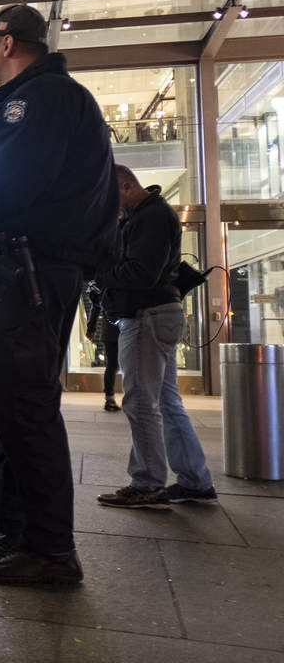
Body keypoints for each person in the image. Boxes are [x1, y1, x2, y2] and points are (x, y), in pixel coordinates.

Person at [0, 4, 118, 586]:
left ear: (7, 42)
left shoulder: (35, 100)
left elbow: (8, 181)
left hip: (28, 273)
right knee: (19, 403)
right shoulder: (52, 99)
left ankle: (49, 550)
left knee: (25, 407)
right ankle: (9, 522)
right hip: (32, 272)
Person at [95, 166, 217, 508]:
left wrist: (99, 273)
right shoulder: (144, 216)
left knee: (140, 402)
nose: (109, 207)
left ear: (125, 185)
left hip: (146, 316)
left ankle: (147, 482)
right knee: (166, 402)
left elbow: (140, 273)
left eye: (110, 198)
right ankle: (194, 480)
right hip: (156, 314)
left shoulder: (151, 217)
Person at [84, 284, 121, 412]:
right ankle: (111, 397)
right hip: (121, 327)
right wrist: (91, 327)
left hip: (111, 328)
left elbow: (96, 306)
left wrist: (91, 327)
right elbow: (97, 306)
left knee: (113, 364)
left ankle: (109, 397)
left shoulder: (106, 281)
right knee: (116, 364)